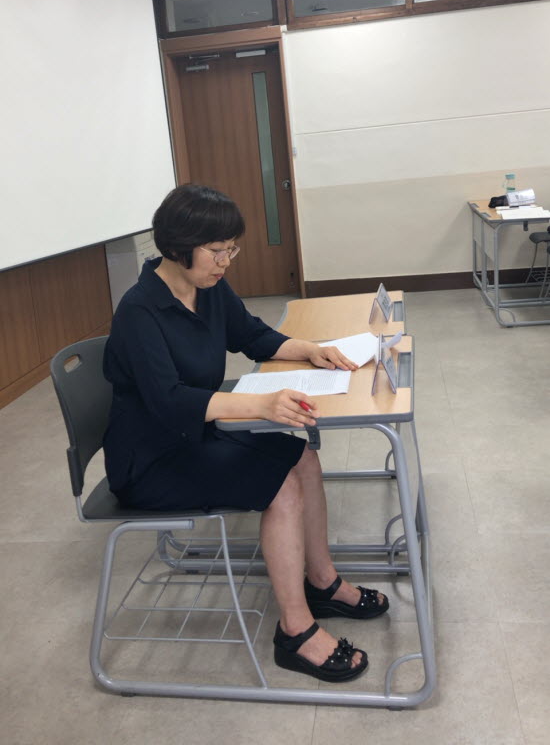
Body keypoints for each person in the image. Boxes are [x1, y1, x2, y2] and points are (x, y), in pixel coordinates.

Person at [103, 184, 389, 682]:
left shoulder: (208, 287)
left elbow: (251, 335)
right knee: (281, 488)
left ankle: (322, 583)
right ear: (178, 246)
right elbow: (170, 402)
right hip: (151, 458)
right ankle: (295, 632)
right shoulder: (139, 310)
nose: (225, 262)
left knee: (302, 458)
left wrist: (309, 348)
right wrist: (260, 404)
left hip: (197, 434)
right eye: (217, 251)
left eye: (231, 250)